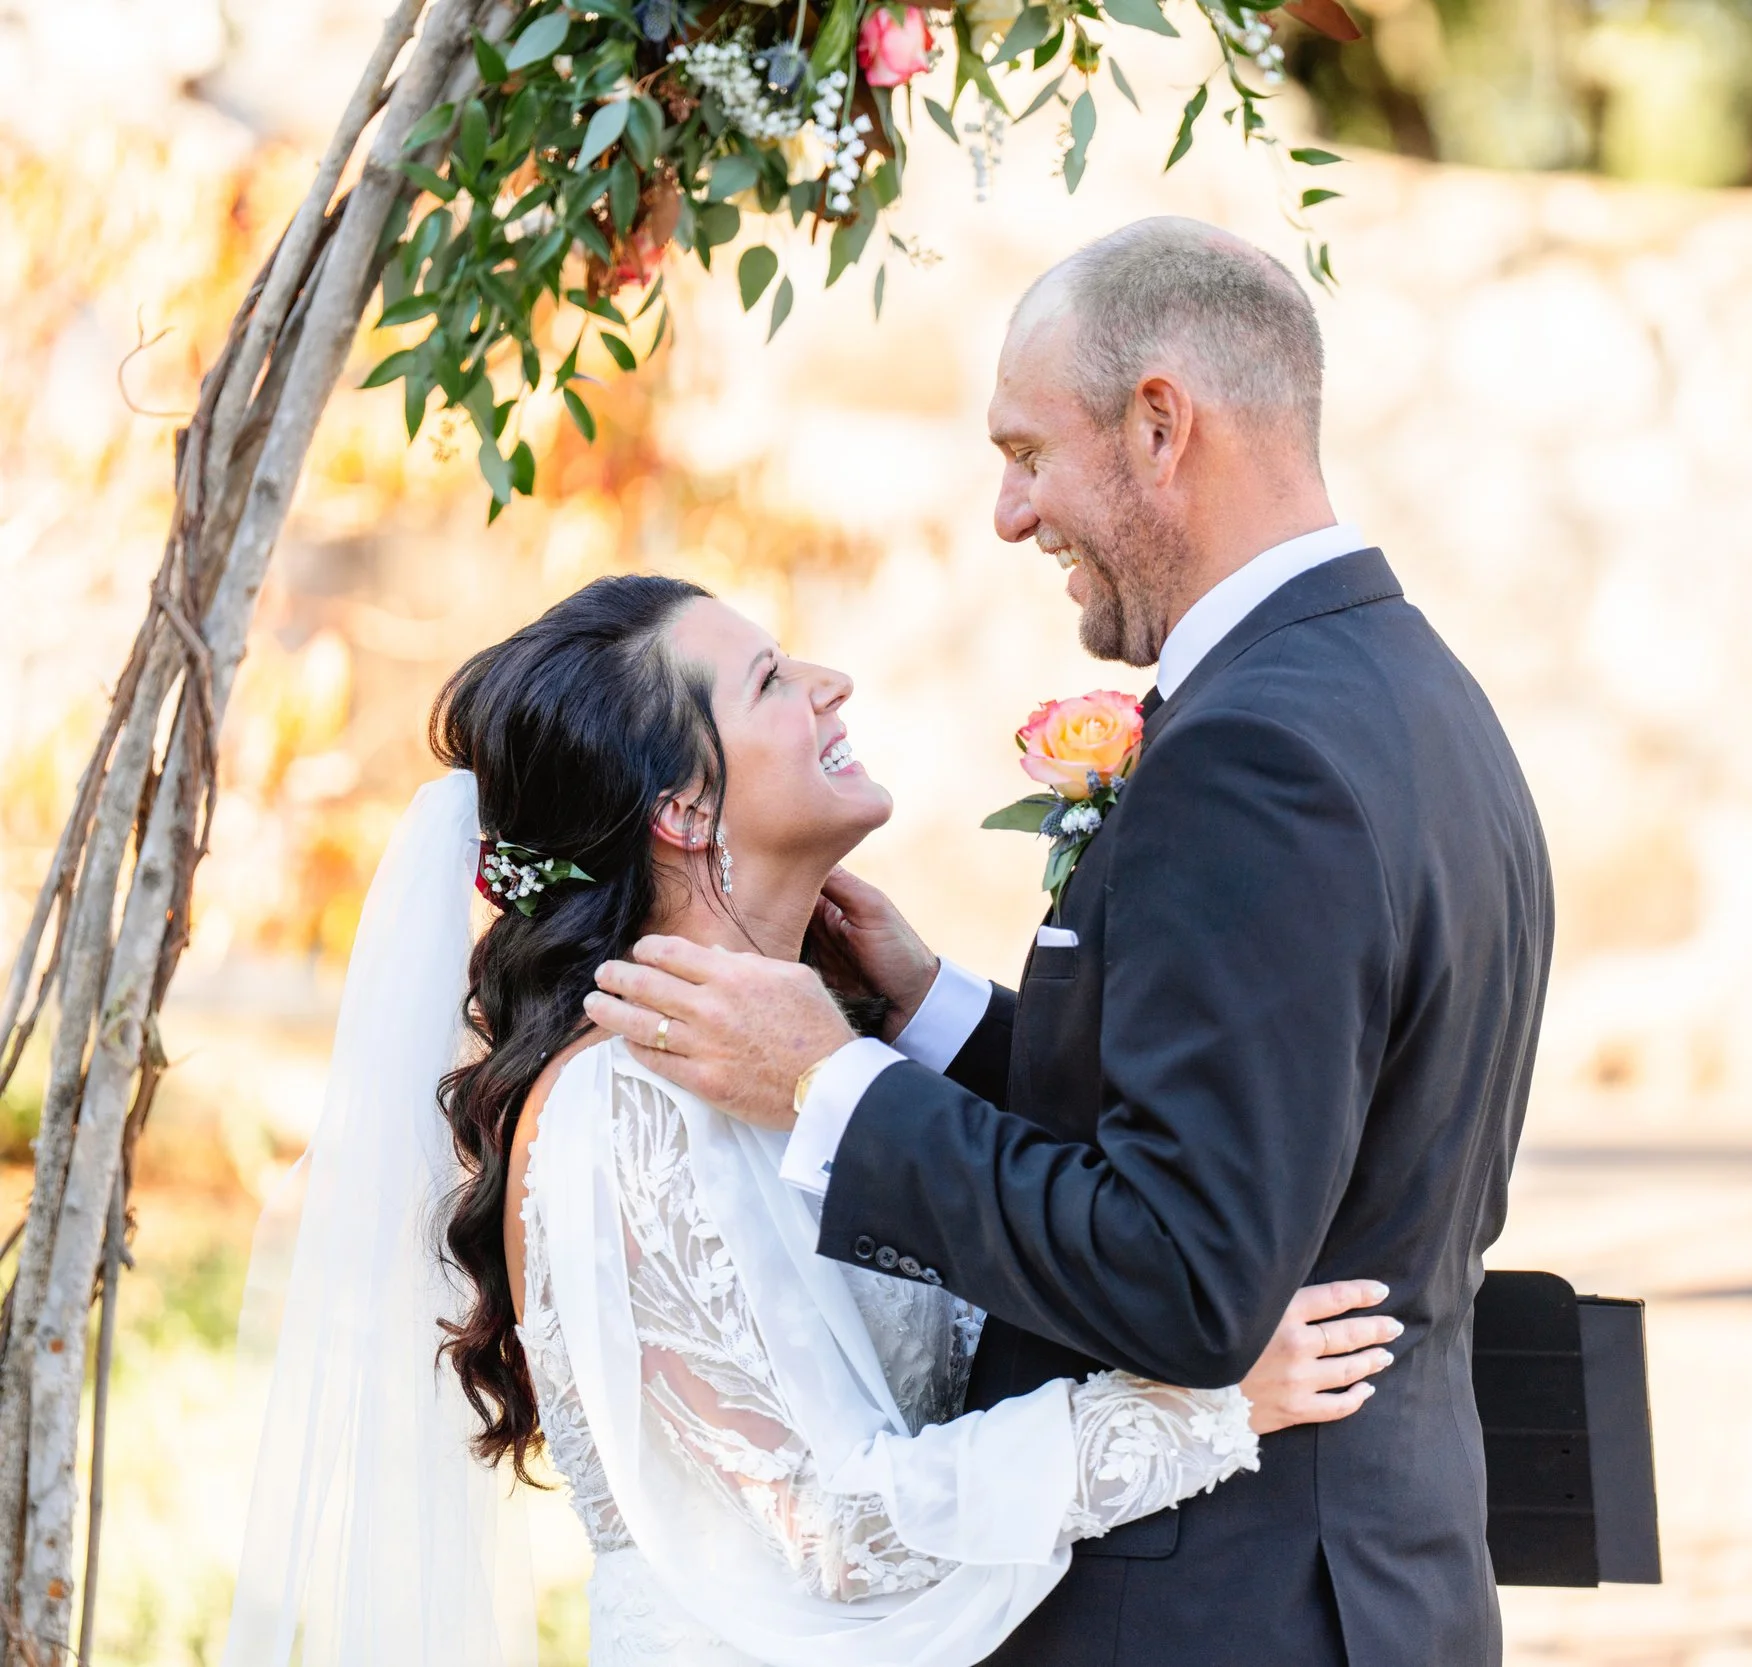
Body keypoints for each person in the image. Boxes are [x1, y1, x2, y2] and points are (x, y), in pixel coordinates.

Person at [587, 219, 1556, 1667]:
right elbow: (1248, 1104)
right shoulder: (1410, 691)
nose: (1008, 513)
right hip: (1370, 1579)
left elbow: (1185, 1270)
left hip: (1227, 1603)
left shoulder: (1254, 754)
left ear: (1161, 422)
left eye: (1028, 453)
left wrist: (826, 1081)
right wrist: (932, 1013)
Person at [222, 574, 1400, 1667]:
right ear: (681, 805)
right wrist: (1205, 1404)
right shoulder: (616, 1106)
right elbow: (825, 1530)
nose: (830, 682)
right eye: (774, 679)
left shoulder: (820, 1061)